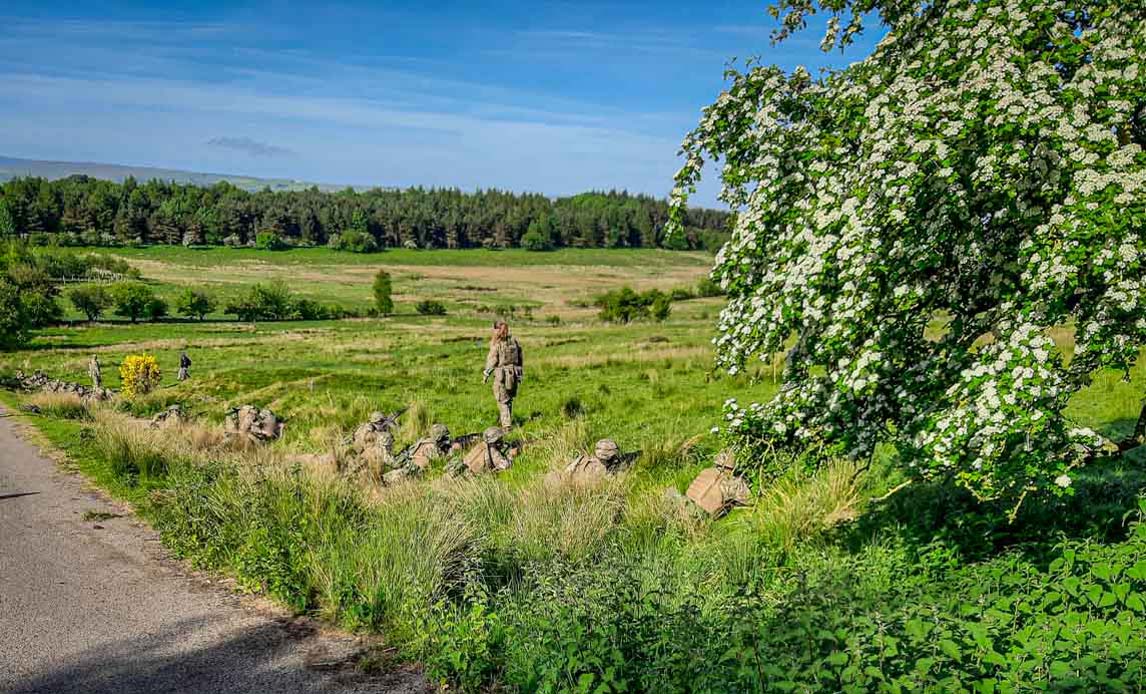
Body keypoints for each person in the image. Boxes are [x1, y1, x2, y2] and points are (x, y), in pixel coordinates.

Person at [483, 320, 523, 429]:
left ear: (496, 329)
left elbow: (492, 361)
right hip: (514, 373)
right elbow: (520, 357)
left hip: (502, 375)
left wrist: (486, 374)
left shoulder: (497, 343)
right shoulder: (514, 341)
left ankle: (506, 426)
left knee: (502, 400)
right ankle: (507, 421)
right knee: (509, 399)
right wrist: (520, 374)